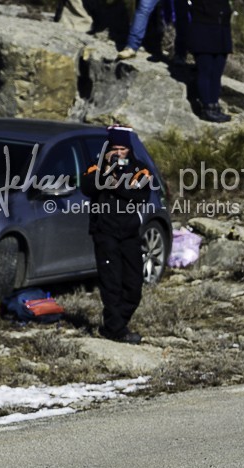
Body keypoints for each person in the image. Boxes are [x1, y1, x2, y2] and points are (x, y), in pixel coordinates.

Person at [85, 127, 155, 344]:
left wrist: (117, 186)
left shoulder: (139, 169)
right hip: (105, 232)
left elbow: (141, 195)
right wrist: (105, 169)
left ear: (129, 149)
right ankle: (115, 329)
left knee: (134, 285)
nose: (118, 153)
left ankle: (114, 323)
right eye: (114, 149)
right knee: (111, 282)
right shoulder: (98, 167)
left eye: (122, 149)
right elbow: (87, 187)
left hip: (129, 233)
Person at [181, 0, 232, 122]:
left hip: (221, 30)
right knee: (205, 71)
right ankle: (206, 107)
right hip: (203, 29)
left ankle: (214, 105)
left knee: (217, 72)